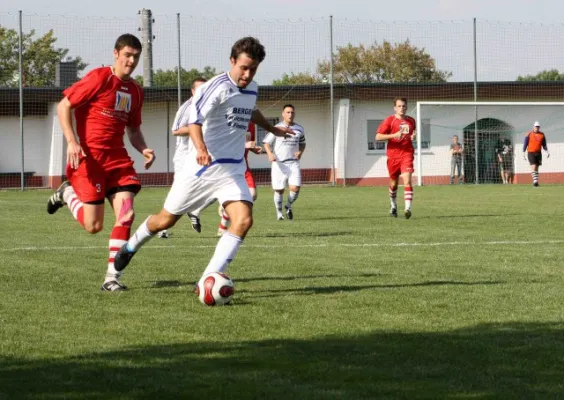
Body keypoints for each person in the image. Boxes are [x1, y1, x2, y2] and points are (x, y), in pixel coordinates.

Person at [113, 36, 295, 285]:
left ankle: (208, 278)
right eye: (243, 68)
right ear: (232, 61)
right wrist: (200, 148)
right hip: (202, 168)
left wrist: (273, 130)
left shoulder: (252, 88)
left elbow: (251, 110)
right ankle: (131, 245)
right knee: (165, 220)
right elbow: (194, 121)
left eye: (252, 69)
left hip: (232, 170)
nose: (247, 74)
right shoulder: (214, 87)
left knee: (243, 219)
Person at [46, 34, 155, 291]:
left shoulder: (136, 91)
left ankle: (111, 278)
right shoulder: (99, 78)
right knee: (93, 226)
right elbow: (64, 106)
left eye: (136, 57)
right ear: (116, 53)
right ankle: (67, 193)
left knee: (126, 215)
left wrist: (144, 149)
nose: (131, 61)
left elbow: (134, 130)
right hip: (89, 161)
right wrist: (72, 141)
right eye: (127, 55)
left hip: (117, 161)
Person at [158, 77, 208, 239]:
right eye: (199, 89)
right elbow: (176, 130)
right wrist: (197, 128)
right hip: (184, 156)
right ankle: (162, 227)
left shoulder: (209, 106)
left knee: (215, 185)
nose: (203, 92)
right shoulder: (187, 107)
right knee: (177, 192)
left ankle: (195, 210)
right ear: (192, 91)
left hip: (200, 155)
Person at [217, 121, 262, 236]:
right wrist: (245, 145)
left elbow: (248, 143)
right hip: (230, 165)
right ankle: (223, 226)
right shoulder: (230, 122)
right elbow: (226, 145)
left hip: (243, 165)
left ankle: (224, 214)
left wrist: (254, 148)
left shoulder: (251, 124)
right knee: (233, 196)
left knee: (252, 195)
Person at [262, 104, 306, 220]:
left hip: (293, 163)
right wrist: (270, 154)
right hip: (279, 163)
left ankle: (288, 205)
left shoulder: (299, 129)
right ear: (283, 114)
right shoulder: (277, 128)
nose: (290, 114)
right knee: (279, 190)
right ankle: (279, 213)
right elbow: (266, 142)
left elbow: (303, 143)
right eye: (288, 112)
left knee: (295, 188)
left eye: (292, 112)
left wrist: (300, 152)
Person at [376, 97, 416, 219]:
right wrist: (394, 135)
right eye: (399, 106)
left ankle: (407, 208)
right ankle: (393, 206)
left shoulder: (411, 121)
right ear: (395, 108)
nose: (402, 108)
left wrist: (413, 137)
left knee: (407, 180)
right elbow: (378, 137)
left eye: (403, 106)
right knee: (393, 184)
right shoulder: (389, 121)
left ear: (406, 107)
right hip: (393, 156)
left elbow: (411, 134)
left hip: (407, 154)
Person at [523, 121, 549, 187]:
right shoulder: (529, 134)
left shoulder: (542, 134)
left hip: (538, 153)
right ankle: (535, 181)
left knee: (537, 167)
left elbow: (544, 144)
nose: (537, 128)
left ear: (539, 127)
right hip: (531, 152)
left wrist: (547, 152)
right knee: (533, 166)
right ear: (533, 127)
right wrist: (523, 153)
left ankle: (536, 182)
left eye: (538, 127)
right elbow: (525, 144)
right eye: (536, 127)